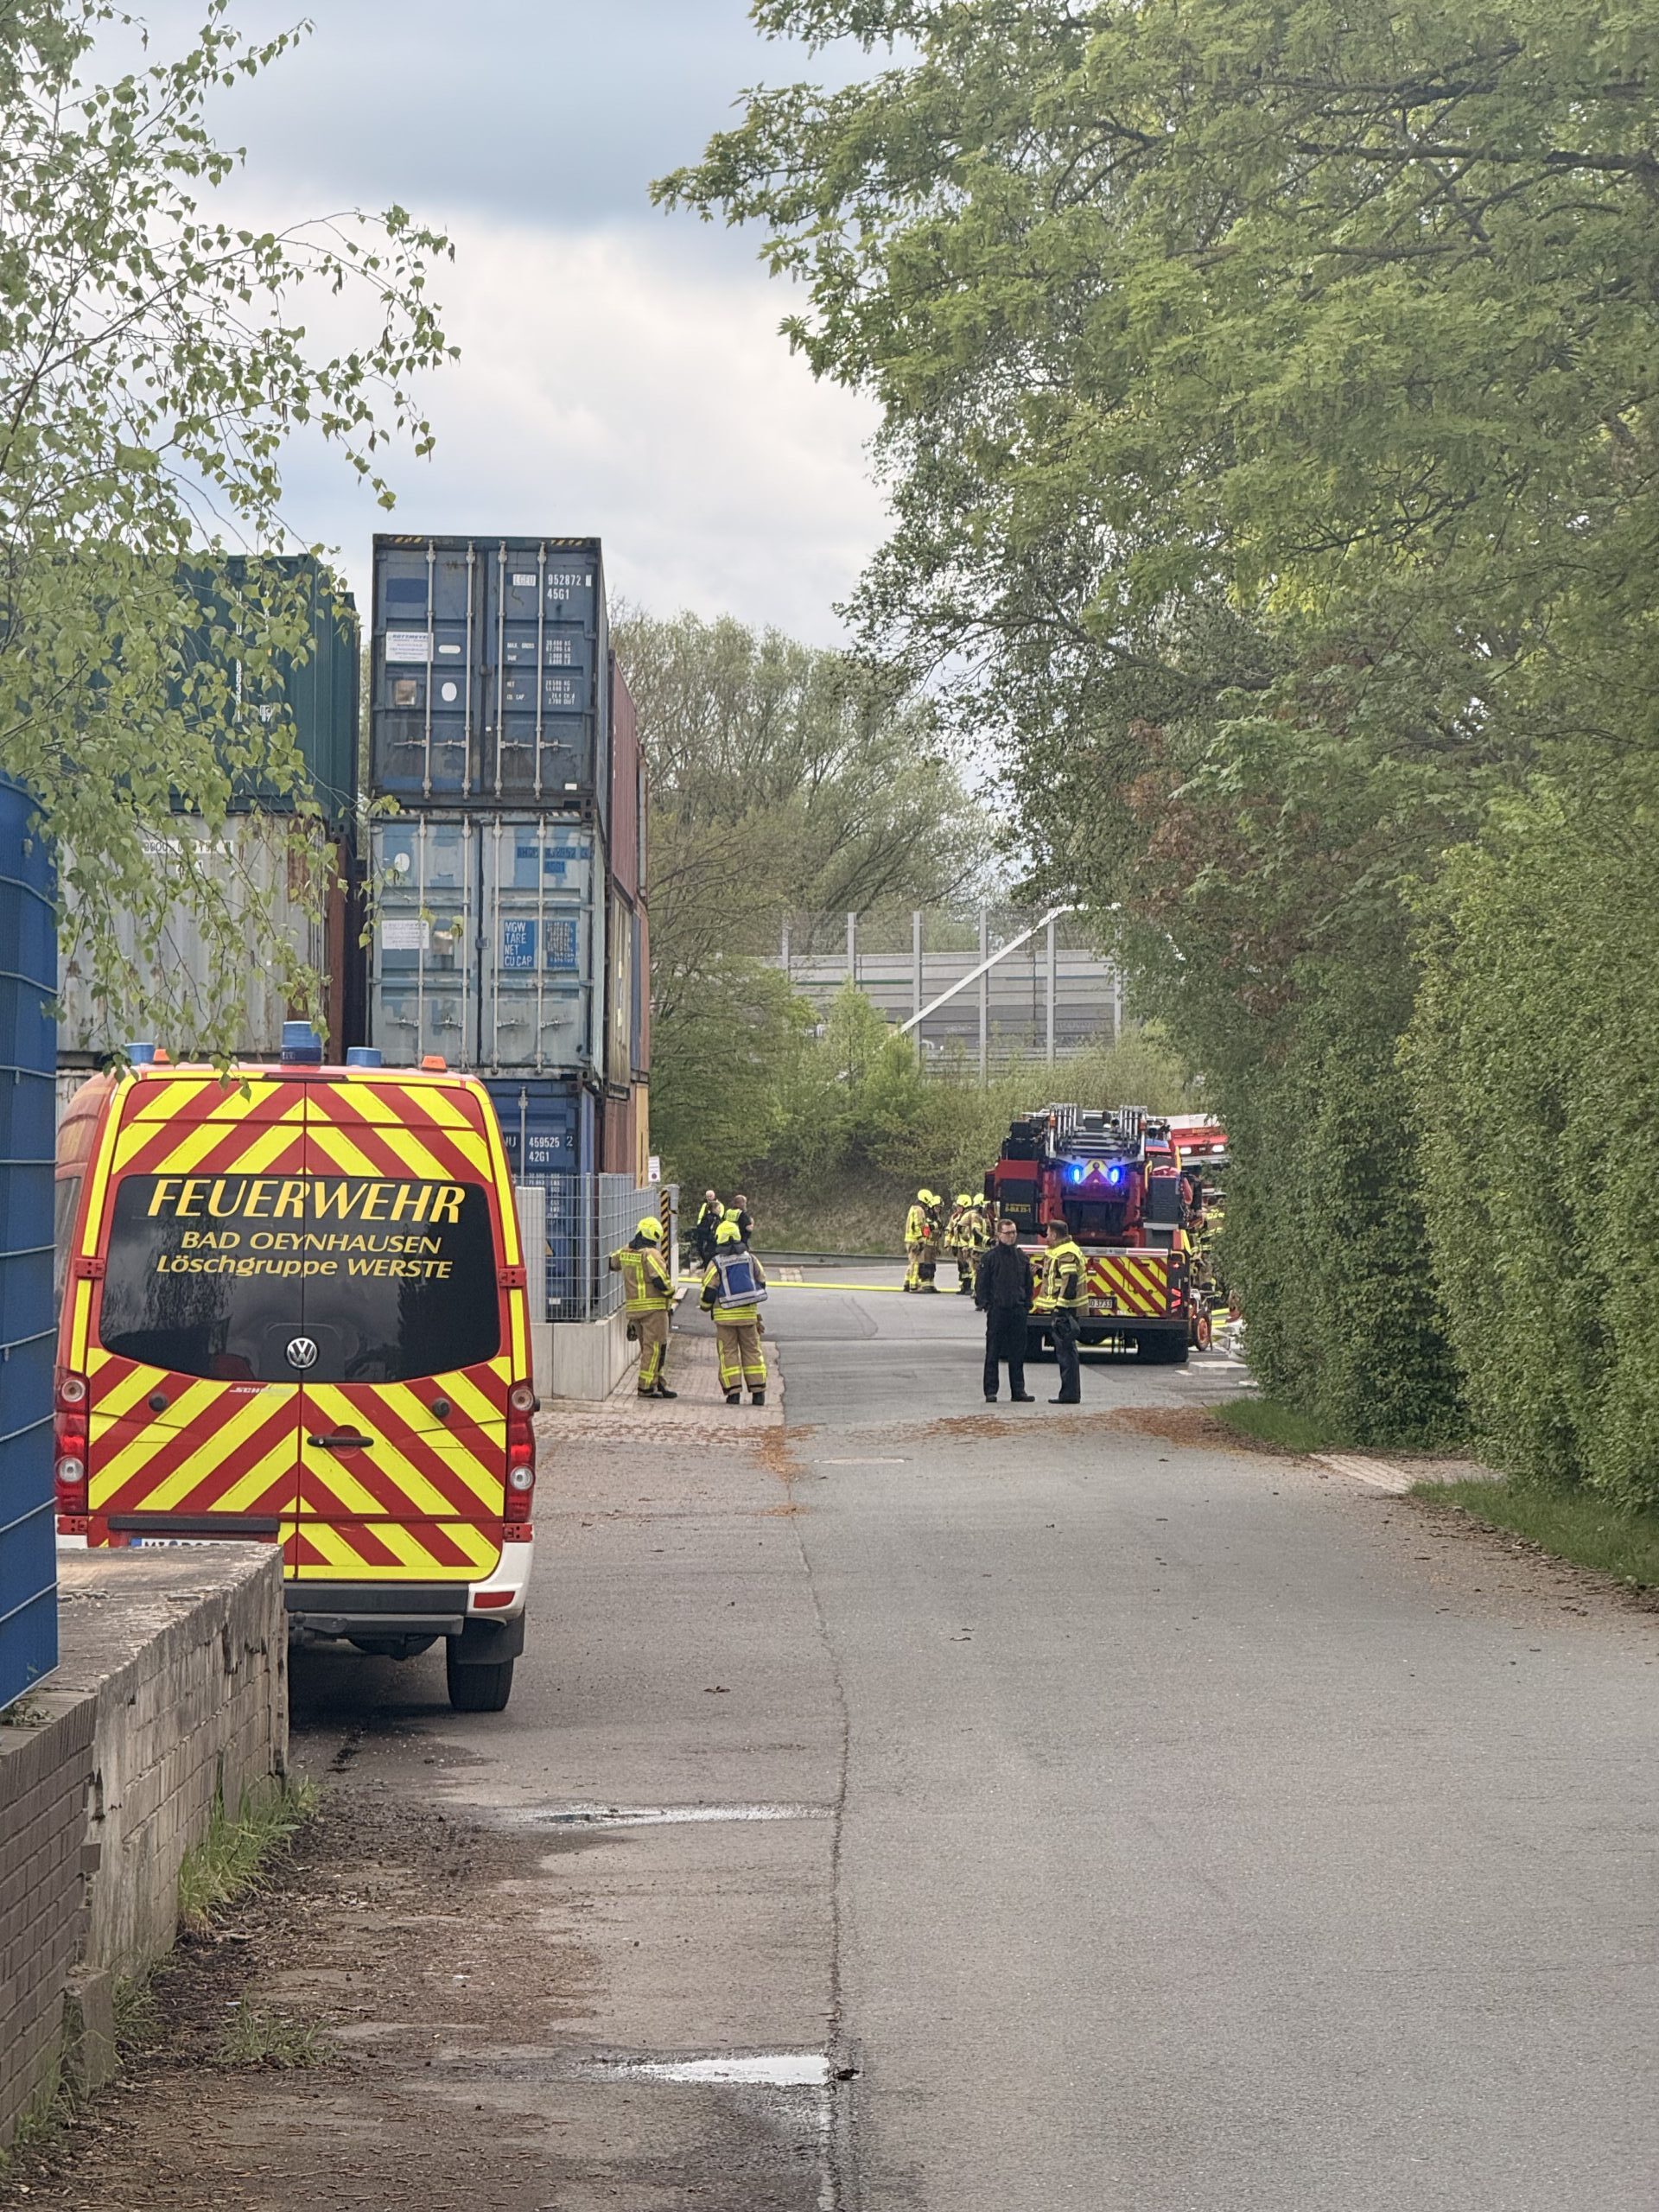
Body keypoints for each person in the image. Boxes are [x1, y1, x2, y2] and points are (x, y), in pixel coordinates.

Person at [608, 1216, 677, 1398]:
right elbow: (660, 1280)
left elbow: (612, 1263)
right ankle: (646, 1386)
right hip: (654, 1309)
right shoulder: (651, 1254)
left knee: (650, 1348)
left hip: (635, 1310)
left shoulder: (626, 1251)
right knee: (655, 1348)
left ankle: (658, 1382)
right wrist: (671, 1293)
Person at [702, 1217, 768, 1406]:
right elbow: (762, 1281)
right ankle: (758, 1393)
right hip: (748, 1316)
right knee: (752, 1352)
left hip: (725, 1319)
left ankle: (733, 1394)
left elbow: (708, 1291)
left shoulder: (717, 1263)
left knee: (728, 1352)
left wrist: (706, 1307)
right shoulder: (750, 1258)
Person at [976, 1216, 1036, 1403]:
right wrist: (986, 1304)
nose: (1012, 1236)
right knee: (993, 1352)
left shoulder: (1021, 1257)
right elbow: (982, 1284)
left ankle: (1018, 1391)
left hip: (1017, 1311)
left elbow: (1028, 1283)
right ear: (998, 1234)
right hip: (998, 1311)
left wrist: (1027, 1304)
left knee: (1017, 1353)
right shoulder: (990, 1258)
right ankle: (991, 1391)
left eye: (1014, 1233)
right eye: (1008, 1233)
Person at [1035, 1217, 1087, 1405]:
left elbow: (1070, 1280)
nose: (1046, 1236)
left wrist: (1061, 1307)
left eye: (1048, 1233)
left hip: (1065, 1310)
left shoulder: (1066, 1251)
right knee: (1066, 1352)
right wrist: (1042, 1272)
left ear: (1055, 1234)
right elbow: (1059, 1276)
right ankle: (1069, 1393)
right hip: (1064, 1308)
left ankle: (1069, 1395)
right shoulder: (1062, 1249)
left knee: (1066, 1353)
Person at [947, 1191, 987, 1294]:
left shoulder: (970, 1216)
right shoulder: (955, 1217)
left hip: (967, 1246)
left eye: (959, 1206)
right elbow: (951, 1230)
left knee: (970, 1268)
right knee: (962, 1268)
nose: (957, 1208)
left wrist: (965, 1244)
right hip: (958, 1245)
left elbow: (968, 1233)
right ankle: (964, 1287)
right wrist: (950, 1244)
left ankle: (971, 1287)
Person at [903, 1188, 933, 1293]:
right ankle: (913, 1285)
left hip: (910, 1239)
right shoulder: (919, 1210)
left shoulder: (913, 1209)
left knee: (911, 1261)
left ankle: (907, 1283)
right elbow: (917, 1226)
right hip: (915, 1240)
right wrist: (920, 1240)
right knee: (915, 1263)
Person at [694, 1190, 724, 1267]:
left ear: (714, 1196)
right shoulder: (704, 1205)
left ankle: (708, 1263)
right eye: (707, 1197)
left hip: (711, 1232)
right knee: (700, 1247)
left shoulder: (719, 1205)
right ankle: (706, 1262)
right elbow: (701, 1216)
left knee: (710, 1250)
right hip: (703, 1228)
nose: (709, 1198)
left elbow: (719, 1217)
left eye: (710, 1196)